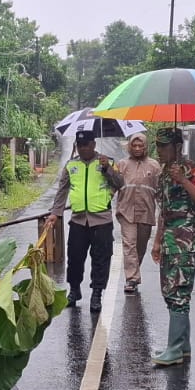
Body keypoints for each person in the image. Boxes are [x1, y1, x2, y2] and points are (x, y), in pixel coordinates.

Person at [150, 126, 195, 365]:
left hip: (187, 239)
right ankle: (182, 346)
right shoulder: (164, 173)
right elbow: (163, 212)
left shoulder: (192, 169)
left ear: (177, 147)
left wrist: (183, 180)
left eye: (163, 146)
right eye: (157, 146)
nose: (159, 151)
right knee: (169, 291)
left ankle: (174, 349)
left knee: (178, 292)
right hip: (169, 240)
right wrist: (156, 242)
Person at [50, 128, 124, 313]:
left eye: (86, 145)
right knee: (74, 259)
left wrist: (107, 168)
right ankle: (74, 291)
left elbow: (120, 183)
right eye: (80, 145)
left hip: (102, 221)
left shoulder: (107, 162)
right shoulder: (71, 165)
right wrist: (55, 212)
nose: (83, 149)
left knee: (101, 259)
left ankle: (96, 294)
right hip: (78, 221)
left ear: (93, 145)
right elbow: (62, 190)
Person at [113, 132, 161, 295]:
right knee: (130, 244)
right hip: (126, 211)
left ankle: (134, 272)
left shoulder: (154, 166)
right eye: (134, 145)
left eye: (141, 145)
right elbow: (114, 184)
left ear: (146, 147)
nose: (138, 148)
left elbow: (160, 191)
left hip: (146, 212)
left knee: (140, 247)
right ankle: (131, 279)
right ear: (130, 146)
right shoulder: (122, 164)